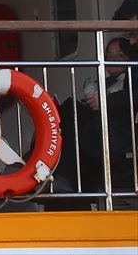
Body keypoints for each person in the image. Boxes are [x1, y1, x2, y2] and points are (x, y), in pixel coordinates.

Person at [54, 37, 138, 198]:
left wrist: (106, 101)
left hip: (121, 131)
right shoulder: (102, 82)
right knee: (68, 112)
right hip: (102, 128)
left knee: (76, 119)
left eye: (120, 55)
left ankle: (62, 177)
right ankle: (57, 175)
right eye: (109, 56)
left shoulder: (130, 77)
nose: (113, 60)